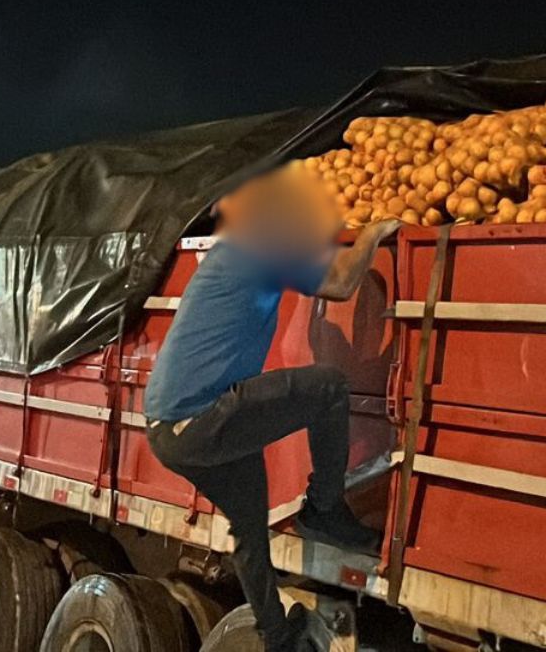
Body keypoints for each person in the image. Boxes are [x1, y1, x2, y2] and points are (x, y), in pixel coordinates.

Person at [145, 162, 402, 652]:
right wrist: (372, 233)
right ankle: (324, 509)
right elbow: (342, 283)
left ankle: (276, 637)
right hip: (202, 416)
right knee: (329, 387)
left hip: (169, 430)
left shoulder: (231, 253)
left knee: (249, 526)